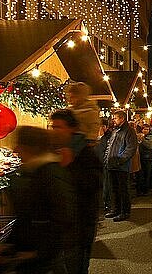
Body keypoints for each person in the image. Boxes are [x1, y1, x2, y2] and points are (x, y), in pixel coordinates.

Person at [7, 126, 74, 273]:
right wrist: (11, 245)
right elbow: (25, 216)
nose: (16, 150)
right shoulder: (32, 171)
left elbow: (62, 217)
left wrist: (40, 252)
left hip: (44, 259)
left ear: (31, 147)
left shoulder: (49, 174)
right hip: (33, 254)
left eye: (20, 145)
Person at [50, 109, 102, 274]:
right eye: (53, 127)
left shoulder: (85, 153)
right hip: (60, 223)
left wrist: (69, 166)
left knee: (75, 265)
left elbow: (93, 184)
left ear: (72, 128)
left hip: (79, 222)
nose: (55, 131)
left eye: (59, 127)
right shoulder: (54, 150)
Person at [104, 110, 137, 222]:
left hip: (121, 166)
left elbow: (131, 148)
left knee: (123, 189)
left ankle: (125, 212)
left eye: (116, 118)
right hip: (112, 165)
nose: (114, 120)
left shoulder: (129, 131)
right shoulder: (115, 131)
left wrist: (120, 159)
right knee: (114, 189)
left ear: (122, 118)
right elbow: (110, 145)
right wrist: (107, 158)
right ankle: (116, 209)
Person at [136, 123, 152, 196]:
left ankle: (145, 190)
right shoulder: (142, 136)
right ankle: (142, 189)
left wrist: (142, 139)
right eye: (144, 129)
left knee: (146, 174)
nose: (145, 131)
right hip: (142, 157)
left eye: (147, 129)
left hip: (148, 157)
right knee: (142, 174)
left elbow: (149, 146)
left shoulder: (151, 137)